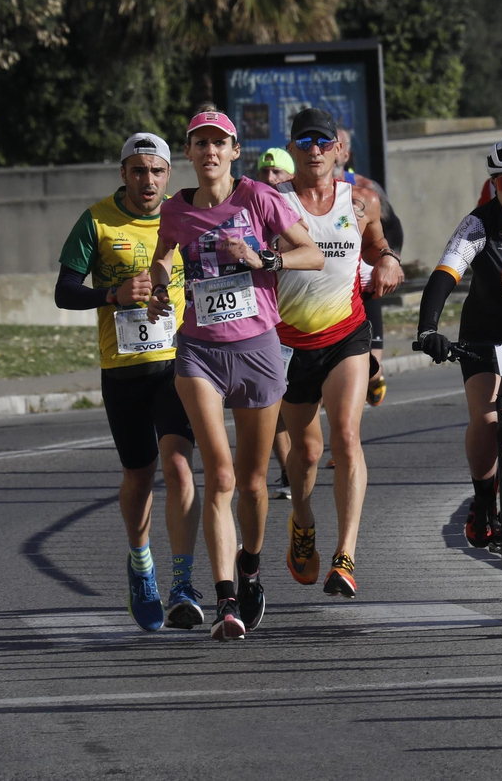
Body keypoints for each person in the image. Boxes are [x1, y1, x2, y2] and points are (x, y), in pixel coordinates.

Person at [146, 110, 324, 641]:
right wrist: (158, 285)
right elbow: (162, 257)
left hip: (257, 351)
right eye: (200, 143)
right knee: (219, 476)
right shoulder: (177, 209)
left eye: (218, 143)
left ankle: (249, 566)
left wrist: (260, 256)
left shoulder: (258, 199)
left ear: (234, 149)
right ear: (190, 152)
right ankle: (226, 599)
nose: (209, 153)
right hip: (198, 351)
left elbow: (311, 254)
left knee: (251, 482)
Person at [53, 132, 201, 632]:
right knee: (140, 475)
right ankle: (142, 565)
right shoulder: (96, 220)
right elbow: (64, 291)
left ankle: (183, 583)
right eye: (138, 171)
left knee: (179, 466)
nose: (148, 181)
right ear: (124, 174)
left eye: (157, 171)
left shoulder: (183, 216)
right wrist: (112, 294)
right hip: (123, 371)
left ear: (168, 176)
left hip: (178, 365)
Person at [276, 107, 403, 599]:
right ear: (291, 149)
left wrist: (388, 259)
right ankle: (302, 520)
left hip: (346, 333)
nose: (314, 150)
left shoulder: (361, 200)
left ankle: (345, 554)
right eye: (304, 142)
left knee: (346, 438)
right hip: (289, 343)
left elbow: (375, 244)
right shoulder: (275, 202)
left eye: (322, 142)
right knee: (306, 452)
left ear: (337, 150)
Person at [416, 131, 502, 549]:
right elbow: (446, 273)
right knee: (486, 419)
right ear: (494, 185)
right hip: (485, 333)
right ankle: (484, 500)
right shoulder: (478, 223)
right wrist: (428, 329)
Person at [335, 127, 401, 406]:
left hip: (365, 277)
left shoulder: (365, 189)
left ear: (345, 153)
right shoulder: (301, 194)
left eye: (333, 145)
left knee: (371, 365)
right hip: (333, 284)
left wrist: (389, 260)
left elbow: (393, 227)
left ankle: (373, 377)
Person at [256, 147, 297, 500]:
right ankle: (288, 470)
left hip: (305, 322)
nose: (270, 180)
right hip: (270, 325)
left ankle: (298, 463)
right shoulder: (251, 214)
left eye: (278, 174)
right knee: (274, 403)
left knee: (298, 404)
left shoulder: (298, 215)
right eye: (264, 173)